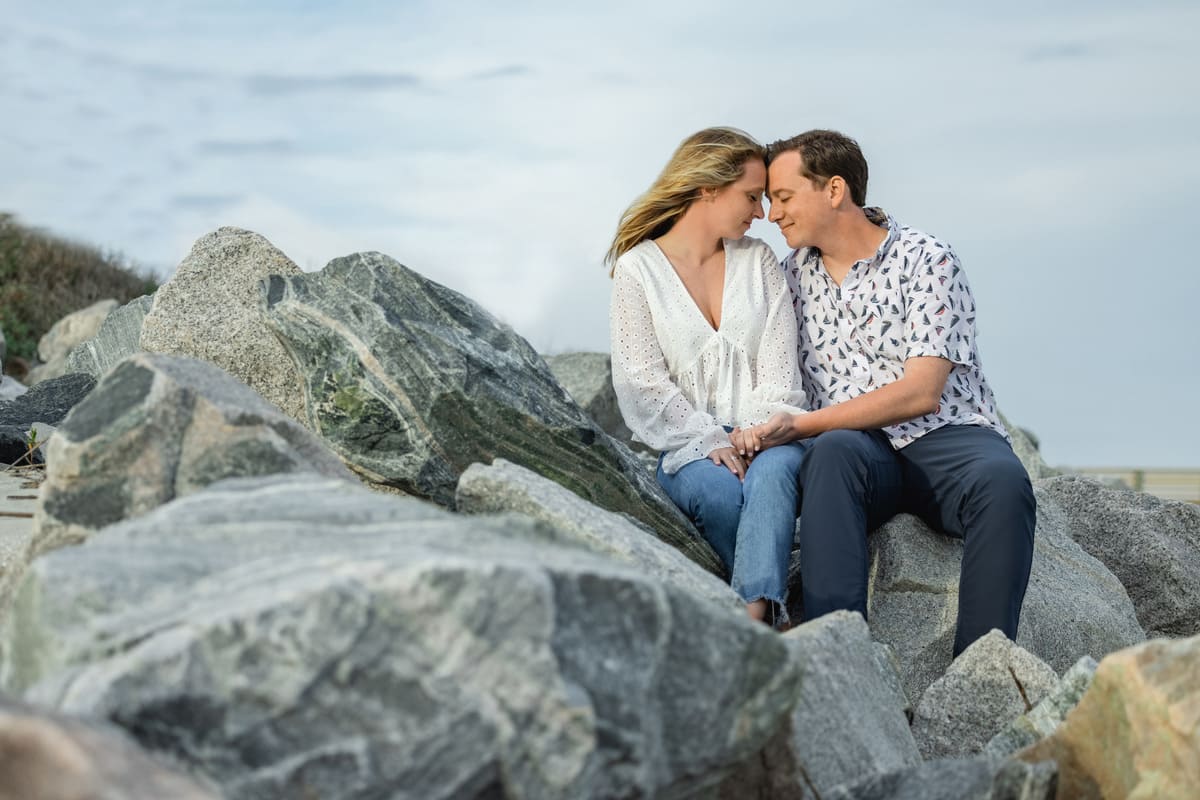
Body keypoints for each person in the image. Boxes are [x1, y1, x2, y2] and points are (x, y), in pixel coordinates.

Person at [736, 129, 1035, 655]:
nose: (773, 214)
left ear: (834, 190)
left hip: (946, 437)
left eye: (783, 198)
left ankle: (980, 670)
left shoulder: (927, 259)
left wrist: (801, 426)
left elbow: (922, 391)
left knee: (1003, 481)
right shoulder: (787, 278)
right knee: (831, 454)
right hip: (859, 451)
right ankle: (840, 655)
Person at [607, 127, 809, 627]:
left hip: (770, 434)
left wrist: (753, 435)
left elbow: (783, 371)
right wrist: (707, 438)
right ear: (706, 188)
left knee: (772, 474)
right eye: (750, 196)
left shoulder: (758, 262)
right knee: (719, 496)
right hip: (688, 444)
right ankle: (777, 609)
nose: (761, 213)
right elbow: (641, 382)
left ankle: (754, 619)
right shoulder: (638, 271)